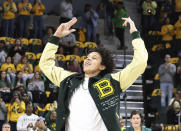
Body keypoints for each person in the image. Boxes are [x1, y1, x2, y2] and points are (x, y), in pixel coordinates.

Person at [39, 17, 148, 131]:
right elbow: (45, 64)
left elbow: (140, 63)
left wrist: (135, 34)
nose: (87, 59)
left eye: (94, 58)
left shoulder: (113, 81)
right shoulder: (69, 79)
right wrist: (56, 37)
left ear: (102, 66)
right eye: (87, 57)